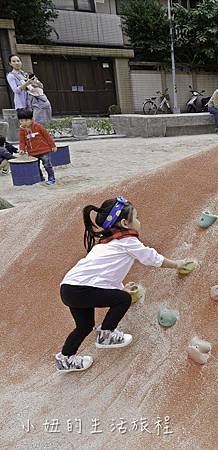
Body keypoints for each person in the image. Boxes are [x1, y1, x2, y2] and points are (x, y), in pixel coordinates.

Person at [55, 197, 194, 372]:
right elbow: (151, 257)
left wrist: (120, 287)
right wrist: (176, 264)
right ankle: (106, 335)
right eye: (136, 217)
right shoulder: (128, 241)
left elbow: (104, 276)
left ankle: (66, 359)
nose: (139, 221)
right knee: (122, 299)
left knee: (83, 326)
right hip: (82, 288)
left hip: (69, 288)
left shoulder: (105, 245)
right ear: (124, 223)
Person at [6, 54, 52, 124]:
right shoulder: (11, 75)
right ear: (10, 63)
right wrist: (27, 83)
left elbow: (41, 86)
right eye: (14, 61)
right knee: (25, 125)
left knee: (36, 124)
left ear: (21, 62)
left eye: (18, 61)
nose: (16, 63)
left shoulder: (26, 74)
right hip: (22, 104)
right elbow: (15, 90)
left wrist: (36, 82)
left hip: (33, 102)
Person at [17, 108, 57, 185]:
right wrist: (21, 149)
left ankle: (51, 178)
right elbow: (22, 141)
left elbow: (47, 136)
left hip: (44, 150)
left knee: (47, 165)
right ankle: (40, 177)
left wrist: (53, 146)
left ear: (31, 119)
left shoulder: (38, 126)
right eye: (21, 121)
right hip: (32, 152)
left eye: (26, 120)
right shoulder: (22, 130)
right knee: (36, 167)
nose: (24, 123)